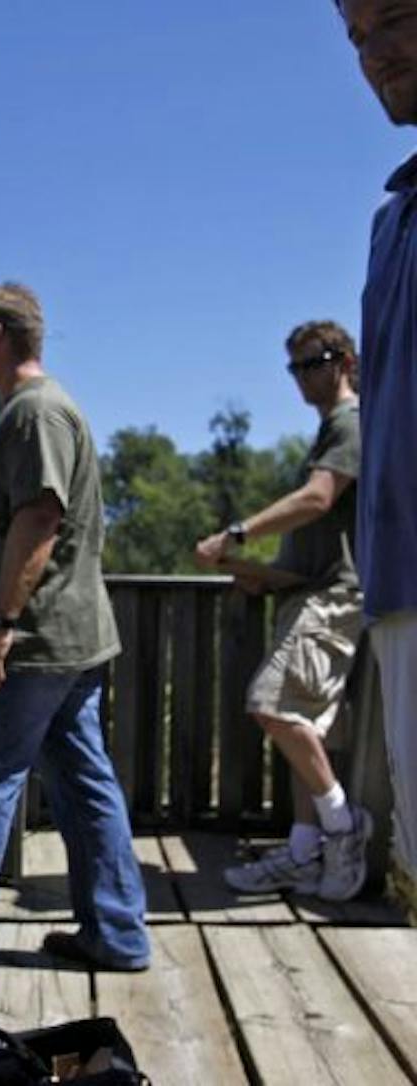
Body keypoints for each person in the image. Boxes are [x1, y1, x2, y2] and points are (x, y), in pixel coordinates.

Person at [0, 282, 149, 986]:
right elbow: (28, 518)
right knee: (84, 784)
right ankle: (116, 934)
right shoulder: (32, 412)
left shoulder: (35, 413)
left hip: (34, 642)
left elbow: (43, 519)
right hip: (72, 638)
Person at [195, 321, 369, 901]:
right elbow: (320, 539)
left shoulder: (350, 422)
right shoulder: (331, 429)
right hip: (308, 592)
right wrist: (259, 576)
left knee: (272, 707)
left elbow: (319, 499)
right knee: (305, 725)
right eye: (291, 367)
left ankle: (344, 830)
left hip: (331, 599)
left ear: (342, 360)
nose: (298, 378)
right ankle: (301, 852)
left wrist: (238, 534)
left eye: (308, 364)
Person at [336, 0, 417, 886]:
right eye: (358, 37)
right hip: (399, 578)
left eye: (396, 17)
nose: (375, 53)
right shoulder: (392, 218)